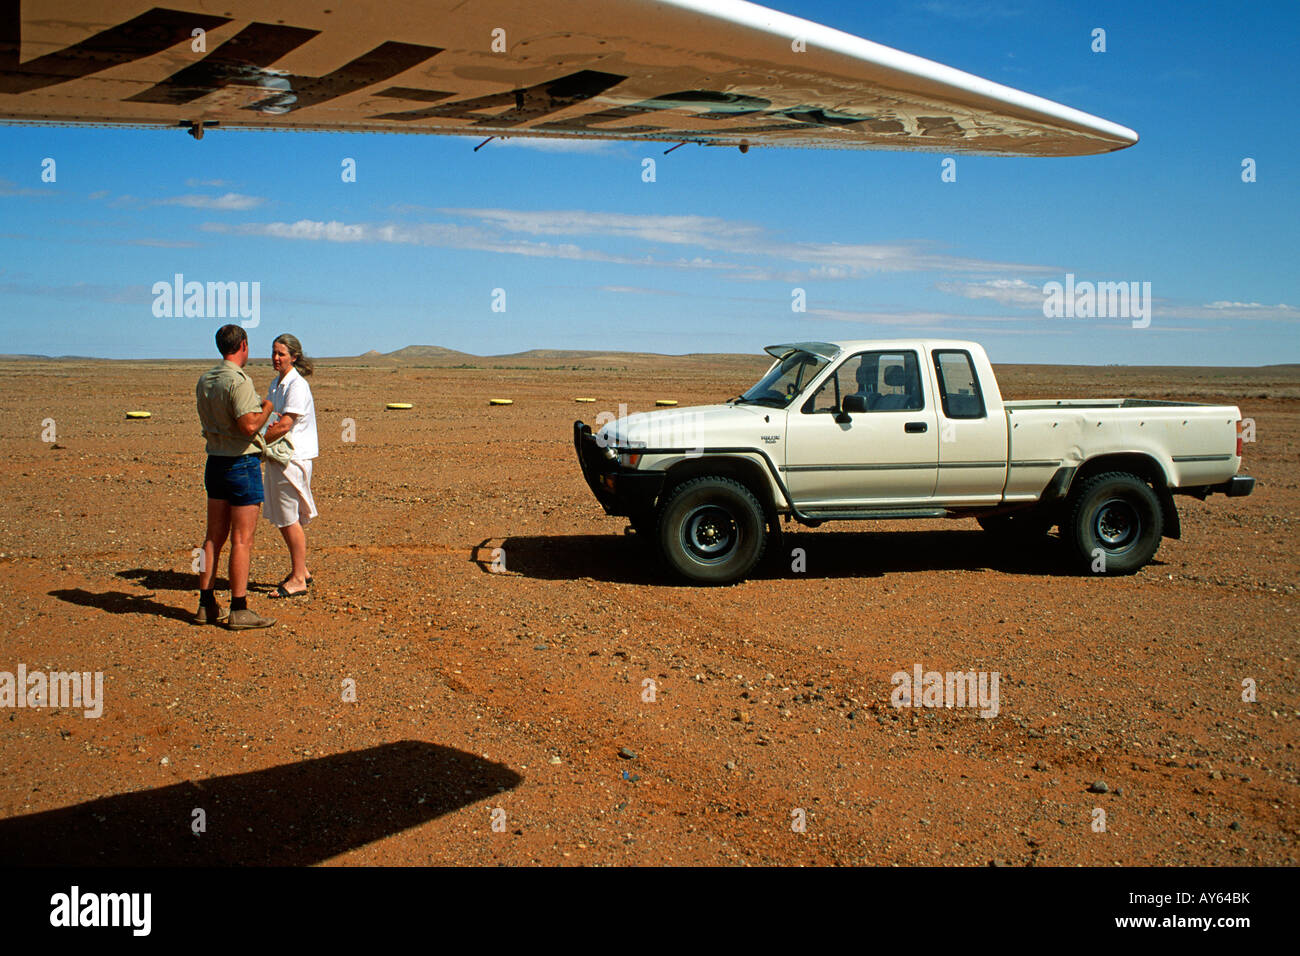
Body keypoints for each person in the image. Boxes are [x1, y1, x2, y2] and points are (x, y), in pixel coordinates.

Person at [195, 325, 277, 629]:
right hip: (241, 464)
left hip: (214, 462)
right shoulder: (238, 381)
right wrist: (267, 406)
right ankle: (239, 608)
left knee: (213, 537)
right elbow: (248, 426)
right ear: (243, 345)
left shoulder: (206, 380)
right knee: (242, 539)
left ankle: (205, 604)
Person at [262, 333, 319, 598]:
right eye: (274, 353)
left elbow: (285, 423)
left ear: (294, 356)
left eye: (281, 354)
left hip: (292, 458)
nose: (275, 358)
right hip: (279, 456)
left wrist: (257, 444)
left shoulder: (297, 385)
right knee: (285, 517)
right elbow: (270, 416)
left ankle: (298, 579)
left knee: (289, 518)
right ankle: (302, 570)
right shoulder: (277, 383)